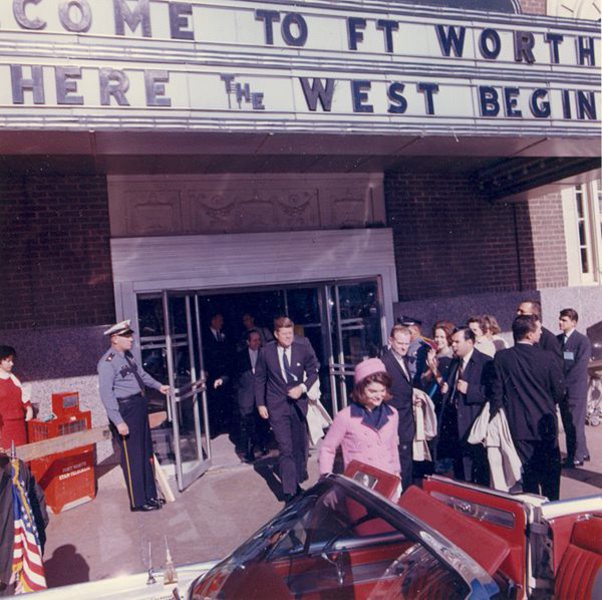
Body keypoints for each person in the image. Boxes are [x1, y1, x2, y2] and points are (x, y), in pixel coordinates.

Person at [97, 320, 170, 512]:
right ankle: (138, 501)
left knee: (145, 453)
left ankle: (150, 495)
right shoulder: (107, 363)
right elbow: (106, 394)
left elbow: (142, 375)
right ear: (114, 339)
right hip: (125, 411)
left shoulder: (127, 356)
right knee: (133, 457)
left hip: (138, 406)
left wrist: (159, 386)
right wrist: (118, 421)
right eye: (126, 336)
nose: (131, 339)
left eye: (131, 335)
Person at [491, 315, 564, 499]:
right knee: (550, 479)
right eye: (538, 329)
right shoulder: (547, 357)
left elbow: (497, 392)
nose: (541, 332)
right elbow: (559, 391)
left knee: (528, 478)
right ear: (530, 335)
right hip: (545, 423)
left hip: (518, 425)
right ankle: (552, 512)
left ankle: (533, 516)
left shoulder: (502, 358)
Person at [255, 316, 320, 503]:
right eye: (284, 335)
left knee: (300, 445)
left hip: (298, 404)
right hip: (276, 405)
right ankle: (290, 493)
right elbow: (260, 378)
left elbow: (314, 371)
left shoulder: (303, 345)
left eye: (290, 334)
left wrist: (303, 388)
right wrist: (261, 404)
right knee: (286, 448)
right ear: (276, 334)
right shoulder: (266, 351)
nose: (288, 338)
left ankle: (298, 477)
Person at [319, 358, 400, 478]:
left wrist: (397, 473)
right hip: (361, 483)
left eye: (382, 390)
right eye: (373, 391)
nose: (379, 396)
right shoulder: (345, 417)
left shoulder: (393, 414)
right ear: (360, 390)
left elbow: (393, 446)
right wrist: (326, 476)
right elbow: (327, 449)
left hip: (388, 480)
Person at [439, 327, 493, 485]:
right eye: (452, 342)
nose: (453, 345)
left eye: (457, 342)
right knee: (460, 470)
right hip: (455, 424)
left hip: (474, 423)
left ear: (470, 342)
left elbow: (491, 392)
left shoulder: (485, 362)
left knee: (477, 469)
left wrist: (470, 390)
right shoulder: (455, 362)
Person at [381, 325, 417, 490]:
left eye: (407, 344)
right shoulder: (385, 362)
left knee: (405, 460)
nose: (403, 347)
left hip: (406, 420)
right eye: (400, 343)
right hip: (396, 422)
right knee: (401, 462)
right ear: (391, 341)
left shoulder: (402, 359)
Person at [557, 308, 592, 467]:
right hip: (562, 389)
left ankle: (576, 456)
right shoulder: (558, 340)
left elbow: (579, 367)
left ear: (574, 322)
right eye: (560, 319)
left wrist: (564, 384)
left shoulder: (582, 341)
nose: (560, 322)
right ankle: (582, 452)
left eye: (564, 320)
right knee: (567, 422)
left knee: (575, 423)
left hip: (575, 389)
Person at [235, 329, 267, 463]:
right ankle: (249, 452)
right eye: (254, 340)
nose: (257, 343)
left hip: (262, 395)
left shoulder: (265, 354)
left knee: (262, 422)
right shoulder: (240, 356)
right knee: (247, 424)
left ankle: (263, 446)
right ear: (248, 342)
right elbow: (235, 375)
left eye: (259, 340)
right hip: (247, 395)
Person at [204, 312, 234, 435]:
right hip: (211, 374)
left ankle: (221, 425)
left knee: (222, 400)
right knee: (213, 402)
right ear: (213, 321)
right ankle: (213, 429)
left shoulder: (222, 335)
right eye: (219, 320)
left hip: (222, 373)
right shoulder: (205, 336)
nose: (221, 323)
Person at [0, 346, 33, 450]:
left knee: (22, 457)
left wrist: (29, 408)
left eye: (12, 360)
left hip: (20, 425)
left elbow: (23, 397)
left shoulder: (15, 379)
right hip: (5, 427)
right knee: (8, 459)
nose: (12, 364)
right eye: (8, 361)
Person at [399, 317, 430, 383]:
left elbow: (417, 371)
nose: (403, 332)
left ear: (415, 330)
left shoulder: (421, 347)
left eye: (406, 330)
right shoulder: (409, 344)